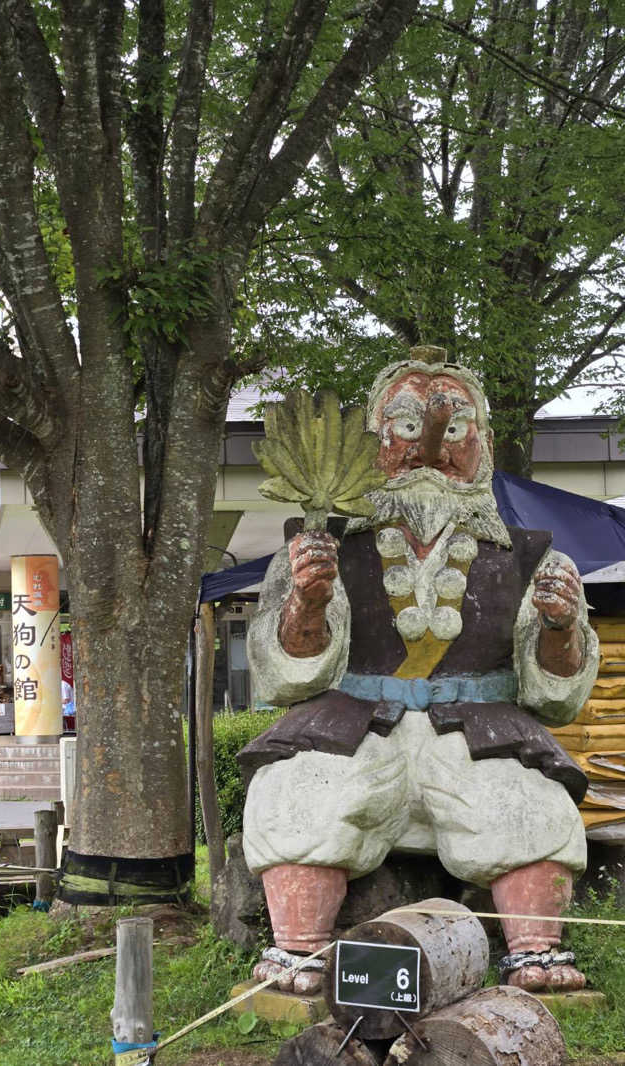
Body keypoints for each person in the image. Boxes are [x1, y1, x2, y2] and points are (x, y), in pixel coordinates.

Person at [239, 347, 598, 993]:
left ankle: (535, 952)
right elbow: (287, 674)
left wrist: (560, 627)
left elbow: (556, 696)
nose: (430, 447)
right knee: (297, 794)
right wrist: (307, 601)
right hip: (354, 725)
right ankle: (298, 951)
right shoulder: (320, 548)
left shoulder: (529, 558)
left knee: (531, 807)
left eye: (454, 427)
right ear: (374, 441)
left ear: (483, 444)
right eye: (406, 426)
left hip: (478, 730)